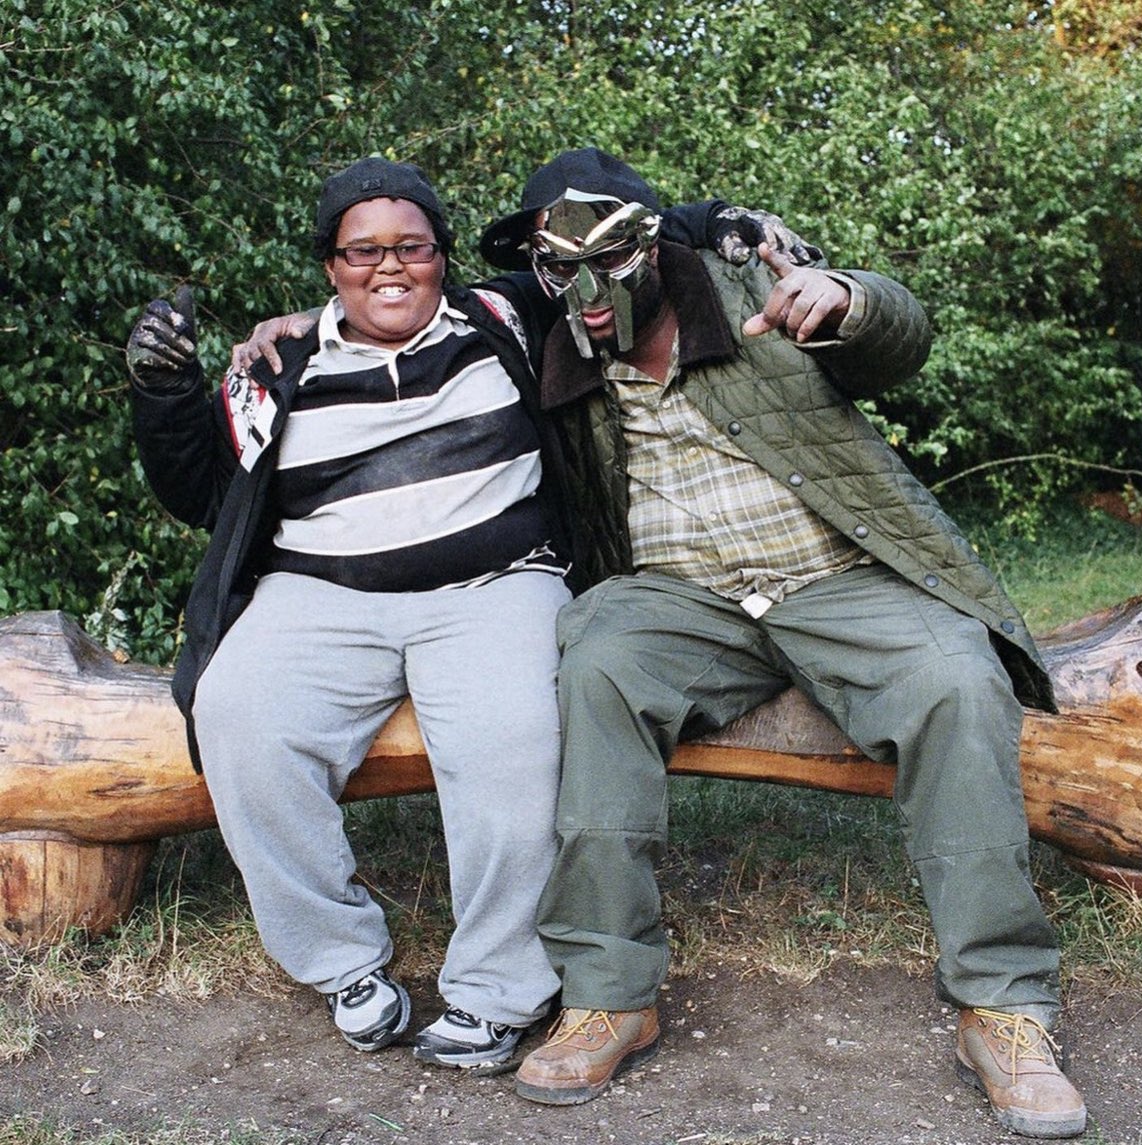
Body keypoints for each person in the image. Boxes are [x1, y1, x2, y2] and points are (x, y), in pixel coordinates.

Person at [125, 155, 791, 1074]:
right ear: (330, 265)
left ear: (443, 254)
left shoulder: (505, 313)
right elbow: (201, 492)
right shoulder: (278, 366)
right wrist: (163, 395)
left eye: (413, 246)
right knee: (238, 717)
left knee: (514, 735)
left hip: (495, 584)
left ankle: (497, 989)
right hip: (318, 594)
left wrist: (719, 217)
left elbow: (609, 229)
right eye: (364, 252)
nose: (389, 267)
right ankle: (344, 964)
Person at [471, 149, 1086, 1138]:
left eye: (613, 253)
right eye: (560, 264)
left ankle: (1003, 1006)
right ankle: (609, 990)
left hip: (838, 575)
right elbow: (403, 293)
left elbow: (897, 336)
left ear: (653, 243)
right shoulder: (557, 327)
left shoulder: (747, 279)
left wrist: (846, 297)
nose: (589, 286)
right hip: (685, 595)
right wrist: (294, 328)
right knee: (594, 662)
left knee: (956, 683)